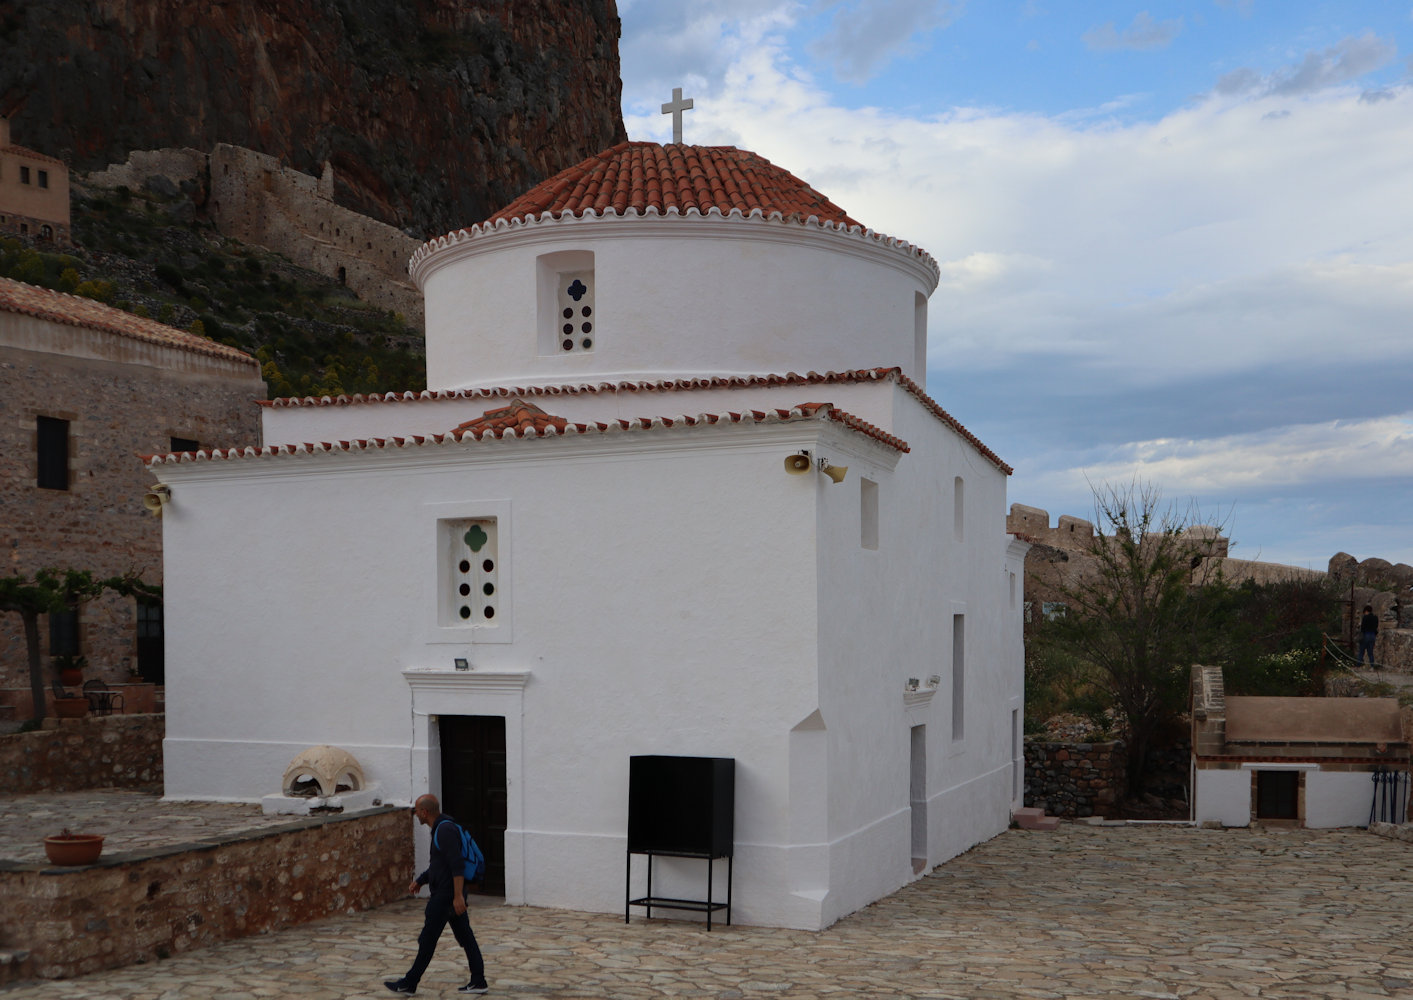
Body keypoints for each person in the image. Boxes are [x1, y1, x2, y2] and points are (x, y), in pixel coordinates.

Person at [384, 794, 489, 995]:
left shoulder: (445, 830)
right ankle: (479, 980)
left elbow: (456, 865)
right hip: (449, 894)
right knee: (466, 937)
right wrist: (421, 880)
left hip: (446, 897)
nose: (415, 814)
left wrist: (458, 896)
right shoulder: (442, 828)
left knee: (427, 939)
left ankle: (409, 983)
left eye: (416, 811)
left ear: (425, 812)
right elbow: (439, 865)